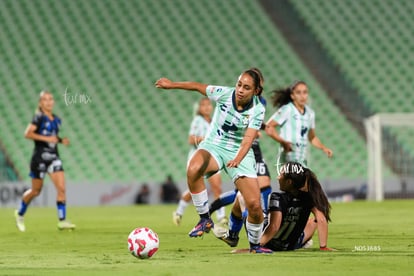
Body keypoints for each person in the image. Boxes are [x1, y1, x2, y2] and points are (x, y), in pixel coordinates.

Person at [155, 68, 272, 253]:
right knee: (193, 168)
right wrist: (171, 85)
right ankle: (204, 219)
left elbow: (249, 139)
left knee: (255, 206)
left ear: (256, 91)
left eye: (246, 87)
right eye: (239, 84)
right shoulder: (224, 94)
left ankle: (255, 246)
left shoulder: (258, 109)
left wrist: (237, 159)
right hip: (214, 146)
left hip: (239, 152)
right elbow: (196, 86)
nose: (240, 90)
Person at [15, 91, 75, 232]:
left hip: (54, 157)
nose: (49, 102)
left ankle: (62, 221)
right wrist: (48, 139)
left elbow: (52, 137)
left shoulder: (56, 119)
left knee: (61, 188)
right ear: (41, 103)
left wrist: (61, 140)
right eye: (45, 100)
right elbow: (28, 133)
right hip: (40, 158)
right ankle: (20, 213)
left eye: (51, 99)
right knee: (36, 191)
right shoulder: (38, 117)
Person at [172, 97, 226, 226]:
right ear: (199, 108)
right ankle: (178, 212)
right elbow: (191, 139)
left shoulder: (214, 122)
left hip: (212, 158)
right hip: (198, 159)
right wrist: (205, 140)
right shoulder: (198, 120)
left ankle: (222, 217)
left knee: (217, 187)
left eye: (208, 105)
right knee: (194, 191)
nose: (207, 107)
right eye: (204, 105)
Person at [260, 161, 334, 251]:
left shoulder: (276, 197)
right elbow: (321, 219)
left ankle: (237, 234)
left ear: (289, 182)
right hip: (292, 245)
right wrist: (323, 247)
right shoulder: (308, 198)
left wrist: (257, 246)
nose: (277, 177)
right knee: (314, 221)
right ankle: (304, 241)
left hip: (269, 244)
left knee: (258, 214)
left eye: (280, 174)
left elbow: (274, 226)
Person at [265, 80, 333, 168]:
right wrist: (283, 142)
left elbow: (312, 137)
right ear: (292, 96)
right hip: (287, 159)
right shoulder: (288, 109)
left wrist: (324, 148)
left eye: (305, 92)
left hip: (302, 160)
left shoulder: (310, 113)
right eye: (298, 93)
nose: (302, 96)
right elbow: (268, 127)